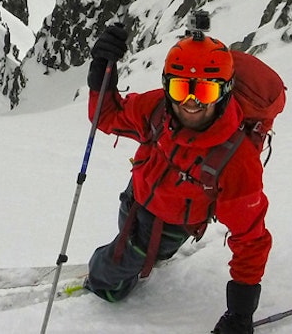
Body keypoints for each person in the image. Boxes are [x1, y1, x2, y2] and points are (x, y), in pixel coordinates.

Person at [83, 21, 271, 334]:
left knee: (107, 280)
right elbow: (107, 117)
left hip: (167, 227)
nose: (191, 102)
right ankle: (126, 258)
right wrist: (101, 76)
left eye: (205, 90)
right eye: (181, 89)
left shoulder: (237, 161)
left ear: (224, 92)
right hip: (135, 198)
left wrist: (240, 313)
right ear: (167, 86)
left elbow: (251, 240)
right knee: (125, 243)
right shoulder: (157, 108)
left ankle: (109, 275)